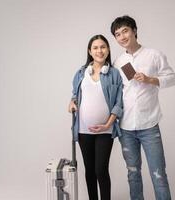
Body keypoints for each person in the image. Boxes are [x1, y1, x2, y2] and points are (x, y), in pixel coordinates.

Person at [110, 15, 175, 200]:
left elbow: (172, 78)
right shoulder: (117, 62)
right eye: (117, 34)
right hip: (126, 128)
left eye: (125, 31)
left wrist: (150, 79)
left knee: (159, 175)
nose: (122, 36)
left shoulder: (154, 54)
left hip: (149, 125)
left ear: (134, 31)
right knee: (133, 175)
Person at [68, 34, 123, 200]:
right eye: (96, 47)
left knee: (101, 170)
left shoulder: (114, 74)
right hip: (84, 131)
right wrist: (71, 102)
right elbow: (74, 95)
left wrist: (108, 125)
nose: (100, 50)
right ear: (89, 51)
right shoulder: (80, 73)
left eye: (103, 47)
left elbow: (119, 104)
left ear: (108, 50)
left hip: (105, 131)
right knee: (89, 170)